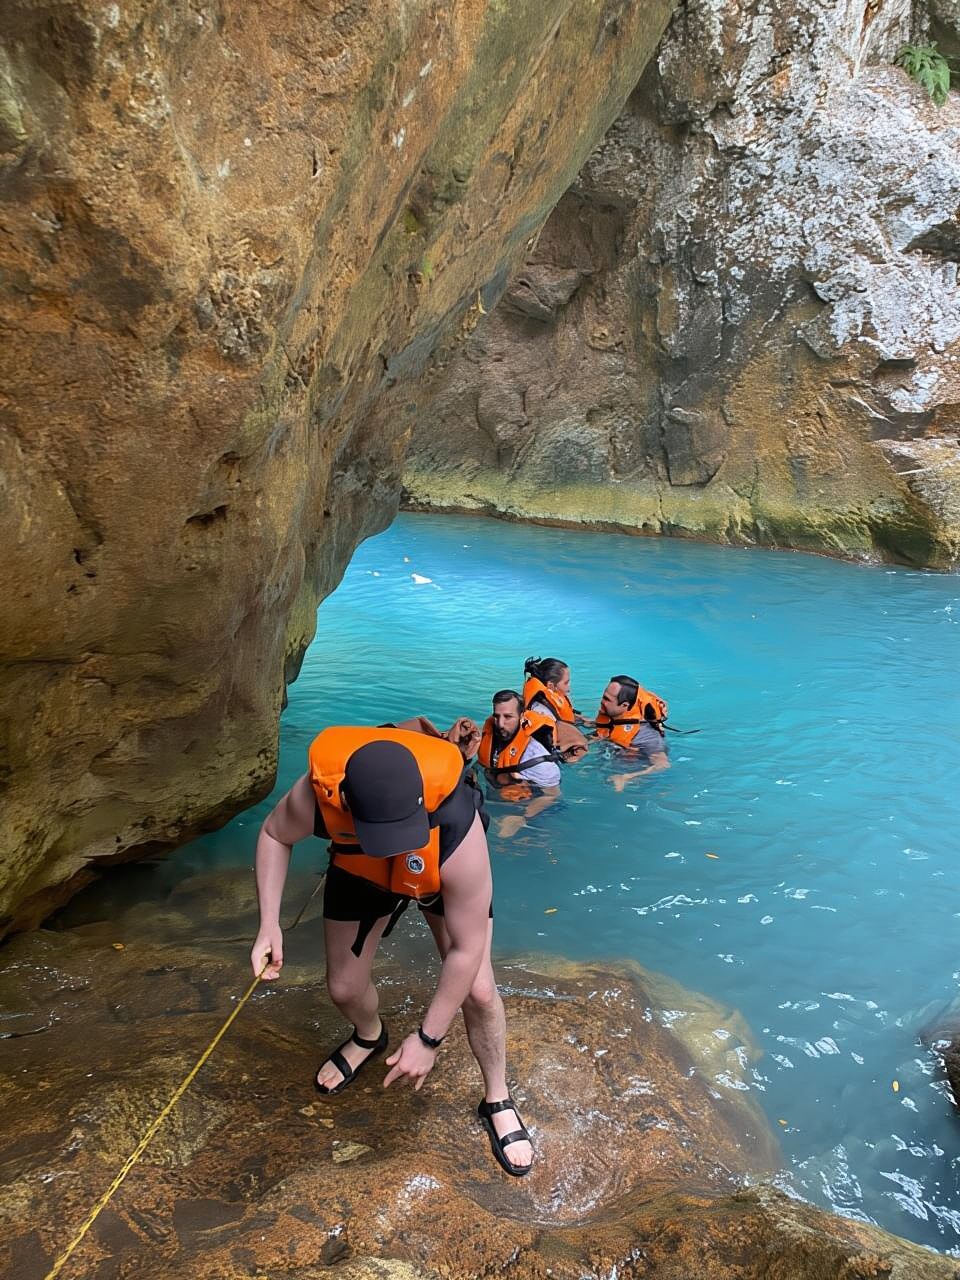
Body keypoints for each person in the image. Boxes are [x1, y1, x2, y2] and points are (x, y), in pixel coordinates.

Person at [249, 726, 534, 1177]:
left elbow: (466, 947)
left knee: (478, 990)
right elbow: (274, 835)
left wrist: (428, 1039)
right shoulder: (319, 796)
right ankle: (369, 1035)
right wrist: (268, 924)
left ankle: (496, 1096)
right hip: (359, 867)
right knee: (343, 987)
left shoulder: (457, 825)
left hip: (436, 866)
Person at [477, 690, 561, 839]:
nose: (500, 724)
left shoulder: (538, 759)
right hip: (498, 797)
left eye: (508, 717)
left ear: (522, 717)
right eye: (496, 716)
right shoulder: (493, 737)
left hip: (529, 810)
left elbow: (553, 795)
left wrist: (522, 817)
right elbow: (483, 763)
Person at [594, 675, 670, 791]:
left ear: (625, 706)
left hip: (630, 784)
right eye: (604, 696)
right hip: (607, 771)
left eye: (607, 699)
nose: (601, 701)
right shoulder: (613, 720)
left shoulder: (648, 736)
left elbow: (663, 765)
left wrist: (627, 778)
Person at [522, 657, 589, 762]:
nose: (569, 687)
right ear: (551, 686)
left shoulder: (548, 698)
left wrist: (582, 720)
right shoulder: (541, 711)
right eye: (566, 683)